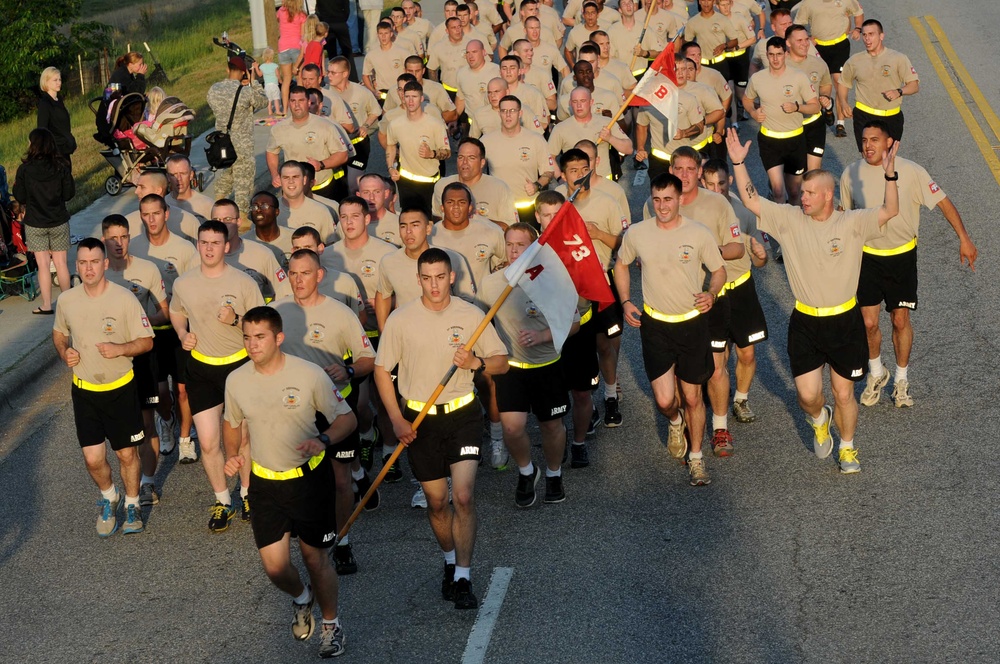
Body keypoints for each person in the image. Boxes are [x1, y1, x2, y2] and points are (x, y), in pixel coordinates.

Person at [726, 130, 899, 474]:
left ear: (827, 195)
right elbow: (752, 201)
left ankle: (848, 448)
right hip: (805, 321)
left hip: (844, 321)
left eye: (807, 193)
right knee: (807, 396)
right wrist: (738, 162)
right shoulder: (790, 220)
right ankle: (820, 419)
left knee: (845, 393)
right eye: (801, 192)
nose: (801, 197)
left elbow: (889, 210)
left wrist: (890, 175)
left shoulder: (851, 222)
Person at [374, 248, 509, 609]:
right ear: (418, 280)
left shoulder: (471, 315)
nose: (434, 285)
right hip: (418, 422)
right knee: (437, 502)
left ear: (451, 277)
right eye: (427, 278)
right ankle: (450, 561)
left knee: (463, 497)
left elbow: (502, 362)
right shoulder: (401, 320)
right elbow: (381, 371)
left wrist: (476, 361)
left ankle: (464, 577)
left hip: (462, 415)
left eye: (440, 277)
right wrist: (397, 419)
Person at [223, 306, 354, 658]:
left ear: (279, 338)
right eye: (247, 337)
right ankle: (302, 597)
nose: (252, 344)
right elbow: (231, 421)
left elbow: (347, 419)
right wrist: (232, 453)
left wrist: (323, 441)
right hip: (265, 484)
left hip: (309, 481)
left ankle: (330, 625)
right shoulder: (236, 380)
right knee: (275, 567)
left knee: (316, 559)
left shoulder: (309, 375)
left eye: (260, 337)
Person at [840, 120, 977, 408]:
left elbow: (943, 202)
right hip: (866, 257)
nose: (868, 145)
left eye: (875, 140)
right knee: (868, 322)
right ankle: (876, 373)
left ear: (889, 143)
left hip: (901, 257)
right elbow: (844, 219)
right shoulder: (850, 174)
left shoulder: (912, 171)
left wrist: (964, 238)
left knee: (900, 320)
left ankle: (901, 379)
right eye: (865, 140)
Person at [614, 173, 726, 486]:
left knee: (692, 398)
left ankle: (696, 459)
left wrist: (712, 293)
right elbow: (621, 264)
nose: (662, 206)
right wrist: (625, 301)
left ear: (679, 200)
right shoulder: (637, 233)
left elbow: (718, 270)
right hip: (656, 326)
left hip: (692, 324)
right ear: (651, 199)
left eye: (668, 199)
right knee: (666, 401)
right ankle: (675, 423)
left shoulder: (699, 233)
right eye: (657, 199)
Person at [273, 249, 377, 576]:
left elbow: (368, 358)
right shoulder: (276, 313)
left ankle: (341, 540)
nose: (298, 280)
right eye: (293, 273)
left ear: (319, 275)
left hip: (336, 412)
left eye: (305, 273)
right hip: (295, 414)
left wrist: (347, 370)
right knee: (302, 484)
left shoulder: (340, 313)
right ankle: (311, 538)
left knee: (340, 482)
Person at [52, 238, 154, 536]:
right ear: (77, 266)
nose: (88, 268)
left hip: (120, 389)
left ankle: (132, 504)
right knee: (93, 459)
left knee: (125, 455)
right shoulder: (68, 300)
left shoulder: (124, 299)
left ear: (105, 264)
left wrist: (121, 348)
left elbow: (147, 341)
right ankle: (110, 496)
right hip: (84, 391)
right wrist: (64, 352)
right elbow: (59, 333)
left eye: (94, 261)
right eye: (82, 262)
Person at [169, 220, 266, 530]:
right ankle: (223, 501)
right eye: (203, 242)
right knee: (209, 443)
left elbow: (261, 327)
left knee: (243, 439)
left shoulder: (243, 283)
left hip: (238, 367)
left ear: (226, 246)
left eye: (215, 242)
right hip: (201, 368)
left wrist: (236, 319)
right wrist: (182, 332)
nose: (208, 248)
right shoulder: (183, 283)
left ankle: (249, 493)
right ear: (197, 245)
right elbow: (176, 310)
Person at [480, 223, 577, 506]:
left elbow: (573, 323)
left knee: (551, 426)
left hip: (547, 365)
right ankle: (526, 471)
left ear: (534, 248)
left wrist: (543, 335)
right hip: (511, 368)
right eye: (509, 244)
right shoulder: (492, 283)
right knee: (511, 428)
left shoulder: (552, 281)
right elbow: (480, 320)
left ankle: (553, 473)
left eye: (520, 245)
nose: (512, 250)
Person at [669, 147, 745, 457]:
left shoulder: (718, 203)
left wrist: (708, 250)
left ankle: (719, 427)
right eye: (678, 169)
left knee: (715, 368)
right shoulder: (657, 203)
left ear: (700, 171)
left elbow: (737, 249)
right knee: (677, 371)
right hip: (674, 304)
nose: (684, 175)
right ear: (671, 169)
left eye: (690, 169)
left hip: (712, 298)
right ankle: (687, 426)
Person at [102, 215, 170, 507]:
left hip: (141, 356)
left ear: (130, 238)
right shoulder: (98, 273)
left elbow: (165, 312)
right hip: (110, 363)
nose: (119, 244)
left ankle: (148, 483)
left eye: (124, 237)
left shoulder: (147, 269)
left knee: (146, 425)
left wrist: (139, 326)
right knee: (120, 428)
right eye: (112, 238)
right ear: (104, 240)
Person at [561, 148, 629, 431]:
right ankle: (584, 406)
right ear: (563, 174)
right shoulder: (557, 203)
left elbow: (626, 246)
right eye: (572, 170)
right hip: (568, 288)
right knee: (575, 348)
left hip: (601, 281)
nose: (579, 175)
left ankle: (611, 396)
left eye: (583, 169)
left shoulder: (607, 202)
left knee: (604, 344)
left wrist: (599, 234)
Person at [699, 160, 770, 424]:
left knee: (747, 353)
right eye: (710, 184)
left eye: (721, 183)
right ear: (701, 183)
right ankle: (719, 395)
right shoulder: (695, 211)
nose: (716, 189)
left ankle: (740, 399)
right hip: (712, 292)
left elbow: (760, 259)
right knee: (718, 356)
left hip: (741, 288)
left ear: (729, 181)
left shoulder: (745, 212)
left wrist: (761, 255)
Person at [129, 194, 199, 461]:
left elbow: (194, 288)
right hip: (149, 333)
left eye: (156, 213)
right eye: (145, 215)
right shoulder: (134, 248)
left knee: (182, 389)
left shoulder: (184, 249)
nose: (151, 219)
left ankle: (185, 438)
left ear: (166, 214)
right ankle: (168, 421)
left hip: (179, 329)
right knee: (158, 394)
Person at [742, 36, 819, 205]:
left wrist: (797, 107)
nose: (775, 59)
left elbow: (815, 106)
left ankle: (795, 226)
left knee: (794, 191)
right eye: (771, 55)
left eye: (779, 54)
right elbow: (746, 99)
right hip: (770, 141)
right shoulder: (758, 78)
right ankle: (781, 230)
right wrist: (753, 113)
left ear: (785, 54)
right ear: (767, 56)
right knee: (778, 190)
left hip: (795, 141)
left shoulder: (798, 77)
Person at [12, 128, 74, 315]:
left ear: (34, 144)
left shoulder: (24, 169)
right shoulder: (61, 166)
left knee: (43, 265)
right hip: (58, 220)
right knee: (61, 264)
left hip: (35, 223)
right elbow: (69, 194)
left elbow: (20, 196)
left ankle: (47, 305)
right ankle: (69, 304)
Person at [838, 19, 920, 150]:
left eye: (871, 34)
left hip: (891, 117)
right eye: (864, 35)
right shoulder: (854, 61)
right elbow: (843, 83)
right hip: (864, 116)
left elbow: (914, 85)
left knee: (888, 158)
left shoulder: (898, 58)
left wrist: (899, 91)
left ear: (881, 36)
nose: (867, 39)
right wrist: (843, 103)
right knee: (868, 155)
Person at [207, 55, 267, 219]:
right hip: (242, 143)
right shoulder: (245, 92)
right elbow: (263, 102)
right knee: (243, 179)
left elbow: (214, 106)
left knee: (226, 173)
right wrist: (253, 82)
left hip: (222, 142)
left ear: (227, 69)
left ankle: (218, 205)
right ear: (243, 73)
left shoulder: (214, 89)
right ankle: (241, 215)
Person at [267, 86, 351, 203]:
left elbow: (342, 154)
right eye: (293, 101)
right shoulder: (278, 129)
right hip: (293, 191)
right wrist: (275, 174)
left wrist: (321, 164)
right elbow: (271, 152)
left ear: (308, 102)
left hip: (323, 188)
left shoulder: (325, 126)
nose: (297, 105)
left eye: (301, 101)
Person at [480, 98, 555, 227]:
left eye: (512, 111)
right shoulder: (486, 141)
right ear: (499, 114)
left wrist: (537, 185)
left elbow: (549, 171)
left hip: (527, 208)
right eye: (504, 111)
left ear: (520, 114)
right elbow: (476, 172)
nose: (508, 115)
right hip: (498, 209)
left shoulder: (536, 140)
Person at [794, 0, 863, 136]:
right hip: (817, 47)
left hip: (840, 45)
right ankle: (826, 110)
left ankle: (840, 124)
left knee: (839, 83)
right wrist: (807, 37)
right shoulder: (809, 3)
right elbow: (797, 25)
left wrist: (858, 28)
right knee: (817, 83)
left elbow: (859, 13)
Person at [385, 81, 452, 210]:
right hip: (405, 182)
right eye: (407, 96)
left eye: (414, 97)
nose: (410, 101)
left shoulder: (435, 124)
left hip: (429, 181)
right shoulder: (395, 124)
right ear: (403, 98)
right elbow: (391, 145)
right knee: (409, 217)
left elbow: (447, 152)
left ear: (421, 99)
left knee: (429, 219)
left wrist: (431, 154)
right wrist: (390, 167)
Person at [213, 199, 293, 303]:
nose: (222, 224)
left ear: (238, 222)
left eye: (228, 219)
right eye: (216, 220)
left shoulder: (262, 254)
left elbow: (284, 291)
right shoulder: (200, 257)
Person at [547, 87, 633, 181]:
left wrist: (610, 138)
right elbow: (549, 157)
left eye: (583, 101)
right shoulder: (560, 128)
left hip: (603, 182)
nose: (579, 105)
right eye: (575, 102)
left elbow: (629, 149)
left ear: (591, 102)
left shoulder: (607, 123)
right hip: (575, 185)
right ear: (570, 103)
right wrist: (560, 179)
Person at [432, 137, 518, 230]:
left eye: (471, 158)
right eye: (461, 157)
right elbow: (436, 220)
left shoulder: (500, 188)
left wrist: (478, 220)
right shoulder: (442, 186)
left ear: (482, 163)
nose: (465, 162)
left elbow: (511, 229)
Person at [785, 24, 835, 172]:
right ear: (788, 43)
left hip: (814, 124)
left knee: (813, 171)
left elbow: (826, 84)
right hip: (790, 126)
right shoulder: (780, 65)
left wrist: (825, 96)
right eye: (799, 40)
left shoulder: (818, 63)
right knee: (795, 174)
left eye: (806, 39)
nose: (805, 44)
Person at [123, 171, 201, 243]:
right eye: (137, 187)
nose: (136, 191)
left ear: (158, 191)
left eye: (142, 187)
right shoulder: (128, 223)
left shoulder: (188, 221)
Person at [36, 67, 76, 170]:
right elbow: (42, 128)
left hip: (64, 147)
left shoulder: (58, 100)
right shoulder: (45, 104)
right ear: (46, 82)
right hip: (55, 151)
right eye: (55, 80)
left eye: (59, 79)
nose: (58, 82)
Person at [362, 21, 412, 102]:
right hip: (382, 93)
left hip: (400, 91)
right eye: (381, 33)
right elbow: (365, 75)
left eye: (386, 33)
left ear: (391, 34)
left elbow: (411, 72)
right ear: (377, 35)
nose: (383, 37)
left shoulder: (403, 52)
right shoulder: (371, 55)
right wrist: (373, 91)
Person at [245, 191, 295, 268]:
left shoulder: (294, 238)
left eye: (264, 206)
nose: (258, 210)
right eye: (254, 207)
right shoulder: (244, 243)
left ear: (276, 212)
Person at [276, 0, 308, 116]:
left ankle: (285, 109)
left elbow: (278, 20)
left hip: (283, 47)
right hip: (297, 47)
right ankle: (300, 106)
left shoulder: (280, 11)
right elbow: (303, 35)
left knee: (286, 80)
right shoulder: (302, 15)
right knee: (299, 79)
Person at [165, 154, 215, 221]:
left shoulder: (208, 205)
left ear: (191, 175)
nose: (179, 178)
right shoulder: (162, 204)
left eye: (183, 174)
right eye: (173, 175)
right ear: (168, 177)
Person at [358, 173, 402, 246]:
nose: (371, 197)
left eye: (377, 192)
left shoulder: (399, 224)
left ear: (386, 194)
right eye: (366, 192)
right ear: (359, 195)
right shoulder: (348, 224)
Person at [259, 48, 283, 117]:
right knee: (276, 98)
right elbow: (278, 75)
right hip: (274, 85)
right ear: (272, 56)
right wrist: (280, 80)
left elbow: (260, 74)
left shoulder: (262, 66)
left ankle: (270, 111)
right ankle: (278, 110)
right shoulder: (275, 66)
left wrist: (256, 68)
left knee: (269, 99)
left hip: (267, 86)